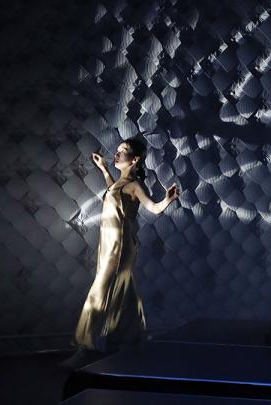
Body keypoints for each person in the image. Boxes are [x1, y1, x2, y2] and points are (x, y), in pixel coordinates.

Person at [69, 137, 179, 362]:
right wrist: (104, 168)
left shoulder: (135, 185)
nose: (117, 153)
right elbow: (113, 192)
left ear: (135, 159)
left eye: (123, 150)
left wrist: (167, 200)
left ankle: (85, 350)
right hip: (108, 245)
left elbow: (153, 208)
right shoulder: (119, 184)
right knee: (124, 293)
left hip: (119, 247)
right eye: (117, 150)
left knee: (98, 294)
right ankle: (132, 341)